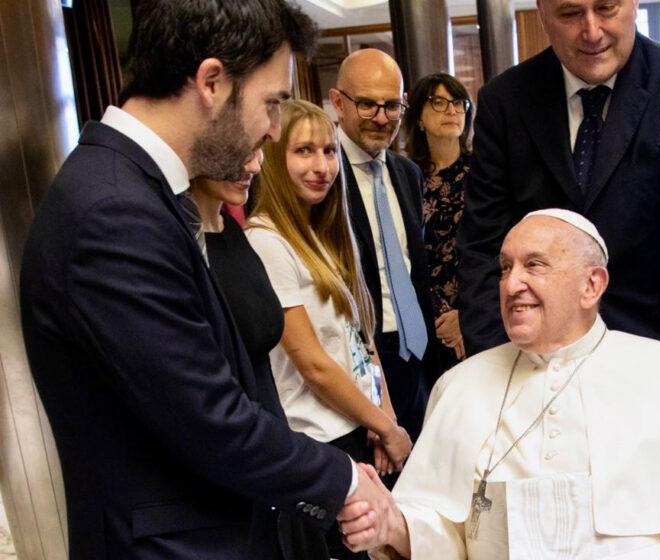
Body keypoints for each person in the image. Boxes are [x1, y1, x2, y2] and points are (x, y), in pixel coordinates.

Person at [18, 2, 392, 558]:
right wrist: (342, 480)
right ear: (212, 82)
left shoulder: (135, 191)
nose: (270, 130)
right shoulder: (114, 211)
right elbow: (208, 417)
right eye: (269, 105)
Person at [341, 210, 660, 560]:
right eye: (505, 267)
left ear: (592, 285)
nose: (512, 284)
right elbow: (445, 530)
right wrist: (394, 527)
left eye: (535, 265)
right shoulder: (459, 387)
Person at [457, 0, 660, 396]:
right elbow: (482, 249)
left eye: (606, 8)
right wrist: (494, 377)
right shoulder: (507, 101)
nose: (592, 32)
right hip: (537, 370)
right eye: (570, 14)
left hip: (657, 358)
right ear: (541, 12)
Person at [244, 100, 412, 559]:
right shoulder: (266, 240)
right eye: (304, 152)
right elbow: (314, 364)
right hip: (318, 439)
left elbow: (361, 342)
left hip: (356, 427)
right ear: (275, 160)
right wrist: (385, 427)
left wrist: (384, 419)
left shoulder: (320, 233)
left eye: (329, 151)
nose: (322, 166)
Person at [329, 48, 435, 443]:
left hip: (416, 350)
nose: (381, 118)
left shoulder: (407, 174)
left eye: (392, 105)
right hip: (359, 357)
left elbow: (414, 268)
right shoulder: (320, 174)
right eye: (368, 104)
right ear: (338, 102)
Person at [403, 73, 473, 373]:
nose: (452, 110)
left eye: (458, 103)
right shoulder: (404, 176)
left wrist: (466, 316)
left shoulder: (483, 172)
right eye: (439, 102)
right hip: (418, 321)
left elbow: (497, 249)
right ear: (418, 116)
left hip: (474, 315)